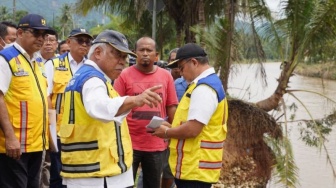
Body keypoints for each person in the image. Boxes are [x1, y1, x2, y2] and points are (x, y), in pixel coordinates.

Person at [59, 30, 163, 188]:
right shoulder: (92, 79)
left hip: (96, 170)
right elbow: (101, 108)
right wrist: (135, 99)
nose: (122, 61)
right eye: (117, 55)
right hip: (96, 173)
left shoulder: (93, 77)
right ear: (98, 52)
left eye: (124, 57)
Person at [152, 43, 228, 188]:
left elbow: (193, 129)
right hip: (195, 168)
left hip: (195, 169)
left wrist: (167, 132)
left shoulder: (204, 89)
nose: (180, 73)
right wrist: (171, 127)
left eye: (181, 68)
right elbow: (192, 123)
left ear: (194, 62)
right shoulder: (206, 84)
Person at [114, 36, 178, 188]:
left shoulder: (166, 76)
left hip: (156, 144)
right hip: (129, 142)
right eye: (141, 50)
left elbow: (171, 106)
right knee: (125, 184)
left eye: (149, 50)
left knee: (152, 184)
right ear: (134, 53)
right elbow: (115, 105)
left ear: (157, 55)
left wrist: (173, 132)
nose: (145, 53)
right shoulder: (124, 75)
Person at [0, 14, 55, 188]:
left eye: (44, 35)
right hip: (15, 145)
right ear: (20, 33)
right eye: (36, 33)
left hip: (37, 144)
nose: (41, 39)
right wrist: (10, 137)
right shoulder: (6, 58)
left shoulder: (38, 61)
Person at [44, 28, 93, 188]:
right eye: (80, 41)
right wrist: (51, 133)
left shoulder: (92, 67)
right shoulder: (54, 64)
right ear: (69, 42)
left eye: (87, 42)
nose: (84, 45)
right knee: (58, 176)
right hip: (60, 132)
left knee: (80, 176)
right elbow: (47, 98)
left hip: (84, 133)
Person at [37, 32, 60, 188]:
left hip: (54, 120)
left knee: (52, 164)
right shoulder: (33, 61)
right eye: (45, 39)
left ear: (57, 44)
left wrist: (52, 128)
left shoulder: (60, 64)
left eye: (52, 40)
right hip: (36, 120)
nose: (48, 43)